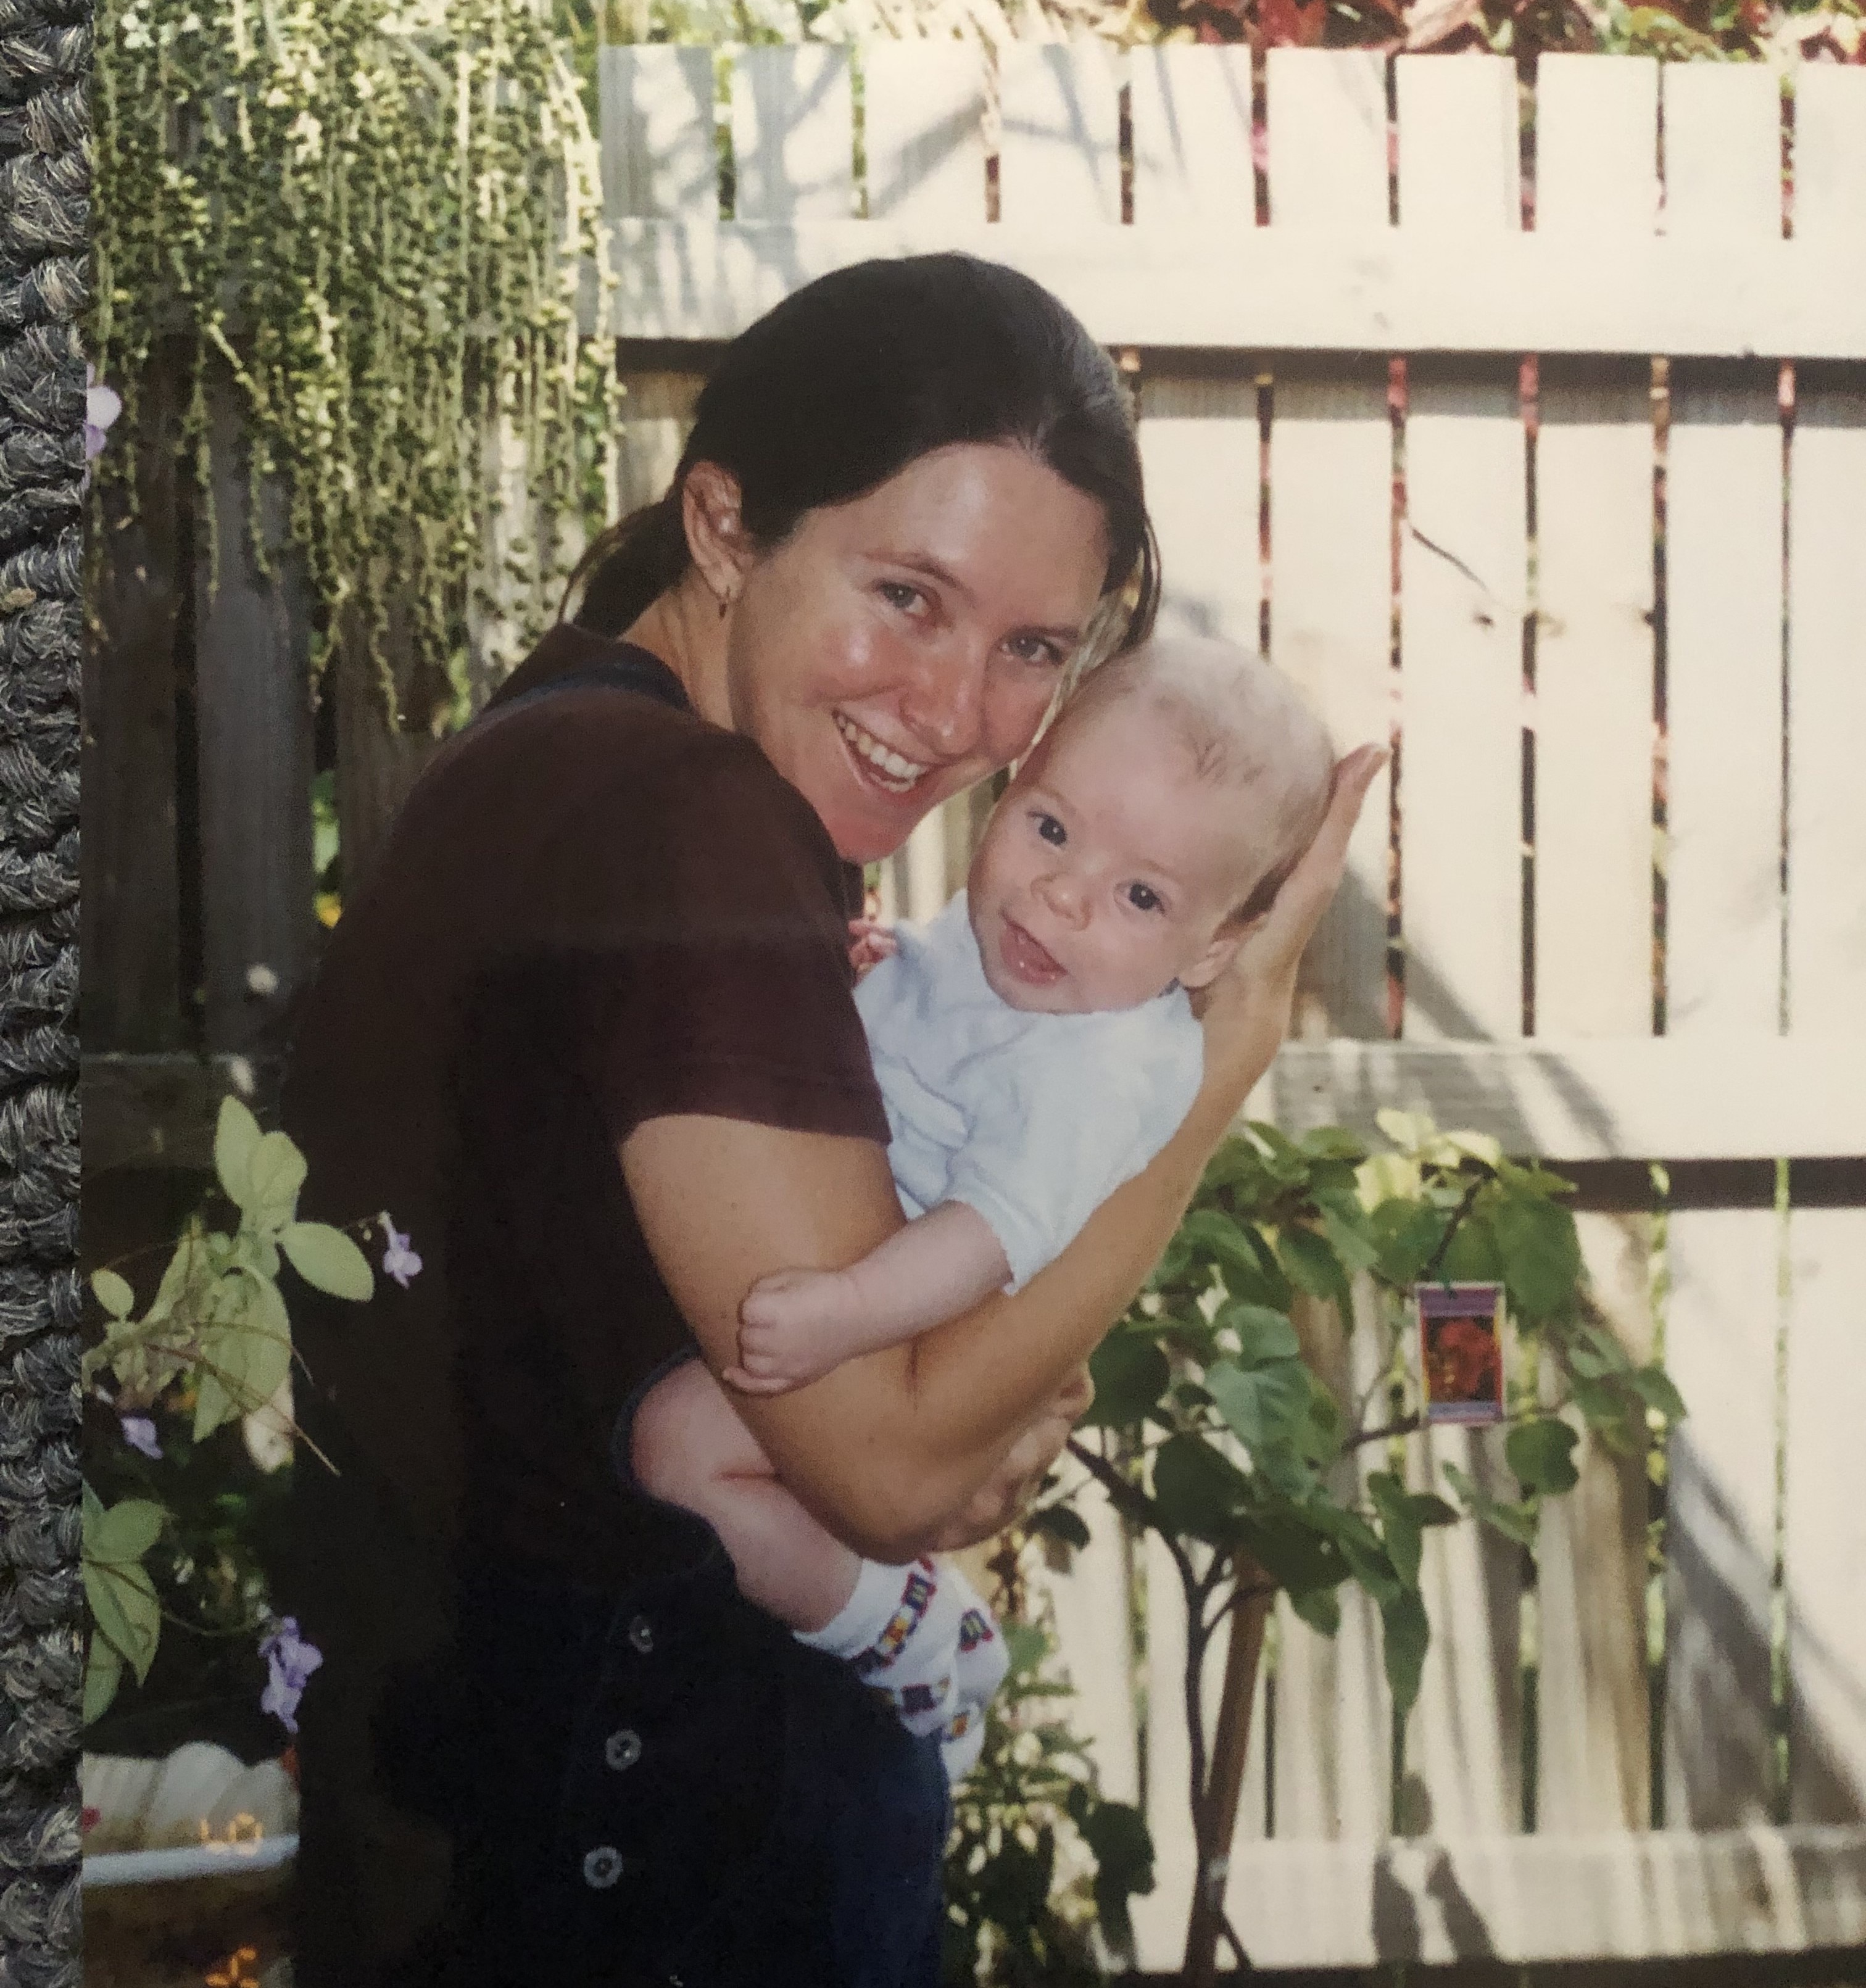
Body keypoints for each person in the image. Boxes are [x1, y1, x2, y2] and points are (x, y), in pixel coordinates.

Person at [278, 251, 1382, 1988]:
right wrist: (1212, 1072)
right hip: (656, 1871)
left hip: (485, 1829)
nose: (954, 716)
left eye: (1030, 645)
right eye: (907, 596)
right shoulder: (688, 824)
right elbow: (892, 1460)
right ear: (725, 526)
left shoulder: (558, 745)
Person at [632, 636, 1333, 1780]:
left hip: (909, 1310)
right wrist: (878, 964)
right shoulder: (1016, 941)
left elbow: (993, 1235)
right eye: (1052, 828)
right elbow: (938, 1008)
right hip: (850, 1256)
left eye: (1142, 894)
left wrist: (850, 1307)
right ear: (1019, 784)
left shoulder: (1101, 1066)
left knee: (682, 1447)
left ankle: (905, 1632)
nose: (1064, 893)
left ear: (1214, 947)